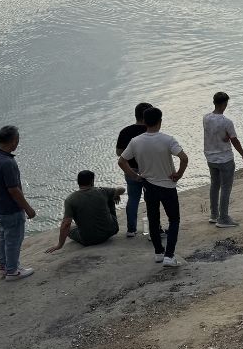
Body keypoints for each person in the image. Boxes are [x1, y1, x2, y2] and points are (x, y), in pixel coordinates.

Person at [118, 107, 188, 267]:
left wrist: (134, 175)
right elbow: (184, 158)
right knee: (174, 219)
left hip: (148, 185)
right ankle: (169, 255)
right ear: (160, 121)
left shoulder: (136, 141)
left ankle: (158, 252)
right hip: (167, 185)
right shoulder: (168, 139)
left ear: (144, 121)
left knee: (153, 219)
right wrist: (179, 174)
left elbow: (121, 161)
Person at [0, 125, 36, 281]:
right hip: (10, 209)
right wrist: (28, 208)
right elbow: (13, 190)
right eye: (17, 140)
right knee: (13, 238)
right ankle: (12, 271)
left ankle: (3, 265)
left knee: (3, 235)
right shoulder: (7, 163)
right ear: (13, 141)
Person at [45, 171, 124, 253]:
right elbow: (122, 189)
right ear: (92, 181)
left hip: (89, 240)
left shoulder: (70, 199)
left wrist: (59, 245)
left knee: (69, 228)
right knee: (111, 196)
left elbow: (66, 224)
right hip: (111, 231)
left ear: (78, 182)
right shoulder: (102, 191)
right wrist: (115, 194)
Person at [204, 91, 243, 227]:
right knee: (225, 188)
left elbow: (214, 133)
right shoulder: (227, 122)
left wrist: (226, 137)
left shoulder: (206, 118)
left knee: (214, 185)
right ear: (224, 104)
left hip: (210, 157)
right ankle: (223, 218)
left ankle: (214, 214)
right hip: (225, 158)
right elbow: (235, 140)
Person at [116, 102, 152, 238]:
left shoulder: (125, 131)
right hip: (148, 169)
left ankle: (131, 229)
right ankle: (153, 228)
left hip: (130, 169)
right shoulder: (150, 131)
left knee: (132, 199)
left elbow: (119, 152)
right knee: (151, 200)